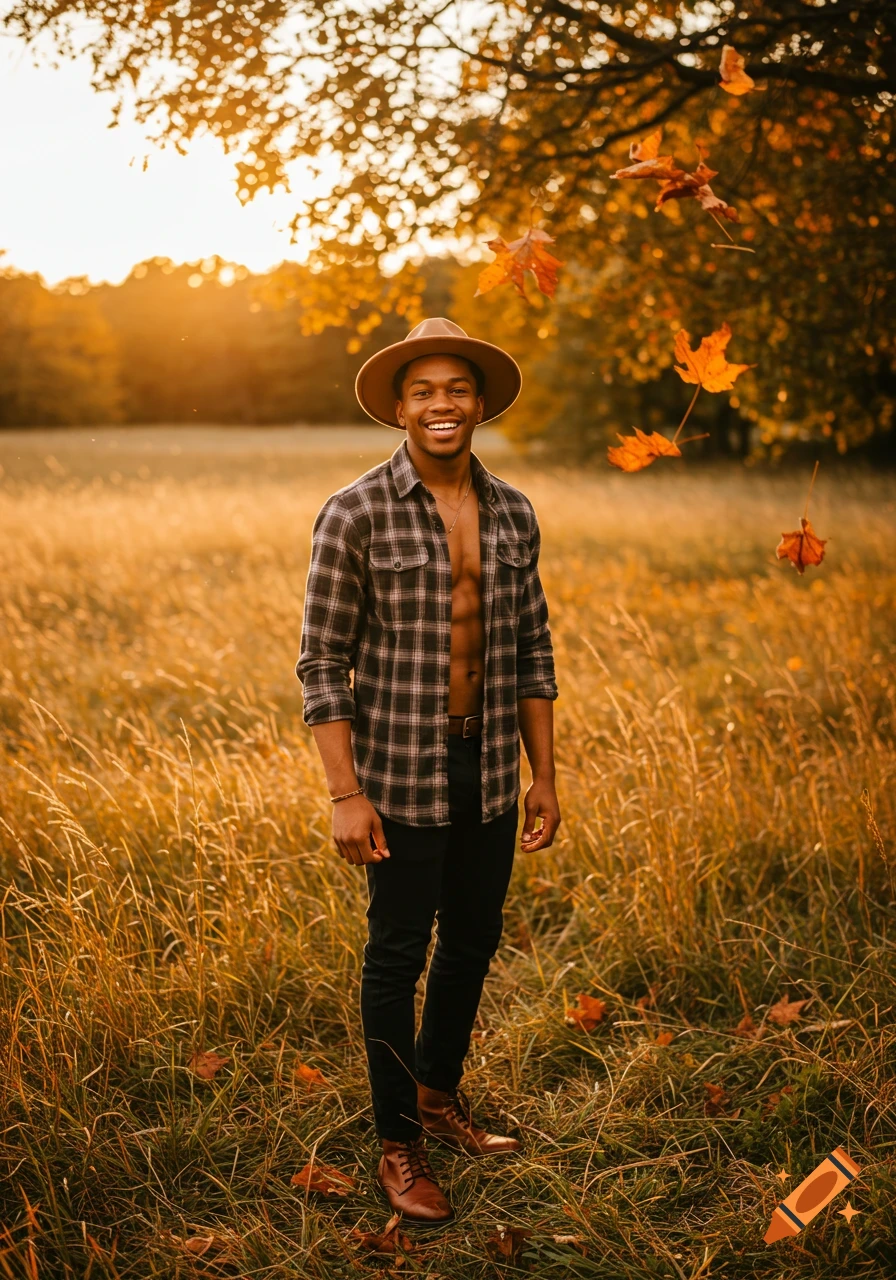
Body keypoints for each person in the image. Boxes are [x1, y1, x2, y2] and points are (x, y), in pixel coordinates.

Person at [295, 317, 561, 1224]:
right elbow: (321, 662)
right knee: (396, 954)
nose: (441, 404)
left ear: (478, 403)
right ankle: (398, 1140)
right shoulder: (355, 512)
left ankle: (440, 1097)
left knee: (474, 940)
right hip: (400, 771)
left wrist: (544, 774)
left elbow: (532, 652)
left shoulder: (514, 511)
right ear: (399, 408)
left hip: (488, 768)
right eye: (423, 391)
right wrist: (345, 792)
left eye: (456, 389)